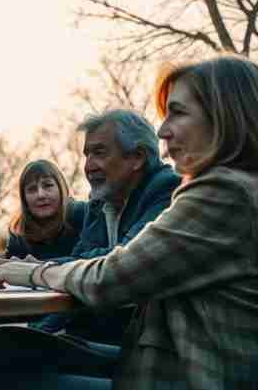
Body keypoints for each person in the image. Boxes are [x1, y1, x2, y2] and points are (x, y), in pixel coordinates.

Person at [0, 54, 258, 389]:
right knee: (11, 346)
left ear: (225, 117)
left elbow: (110, 278)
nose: (162, 131)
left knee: (9, 371)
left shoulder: (225, 192)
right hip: (200, 363)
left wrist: (32, 272)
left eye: (177, 113)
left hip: (197, 375)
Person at [31, 109, 181, 342]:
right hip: (99, 333)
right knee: (14, 341)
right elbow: (78, 268)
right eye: (86, 155)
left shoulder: (167, 190)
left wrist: (36, 269)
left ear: (138, 157)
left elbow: (118, 261)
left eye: (99, 153)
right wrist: (39, 333)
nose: (88, 166)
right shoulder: (99, 202)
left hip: (143, 345)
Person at [5, 159, 87, 261]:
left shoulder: (83, 215)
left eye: (48, 185)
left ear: (61, 188)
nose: (41, 195)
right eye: (32, 189)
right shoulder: (19, 235)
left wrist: (37, 266)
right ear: (24, 198)